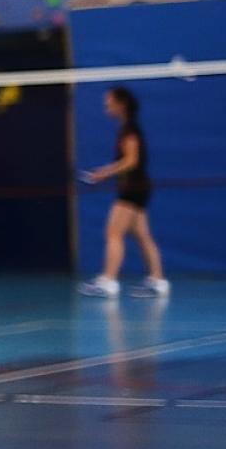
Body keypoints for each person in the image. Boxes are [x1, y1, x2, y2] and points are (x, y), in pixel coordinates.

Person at [79, 86, 167, 297]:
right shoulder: (127, 128)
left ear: (121, 104)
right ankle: (158, 281)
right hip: (138, 188)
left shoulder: (129, 129)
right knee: (142, 236)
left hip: (132, 189)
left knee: (113, 232)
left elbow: (131, 160)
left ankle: (108, 281)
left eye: (109, 103)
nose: (106, 107)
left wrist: (104, 173)